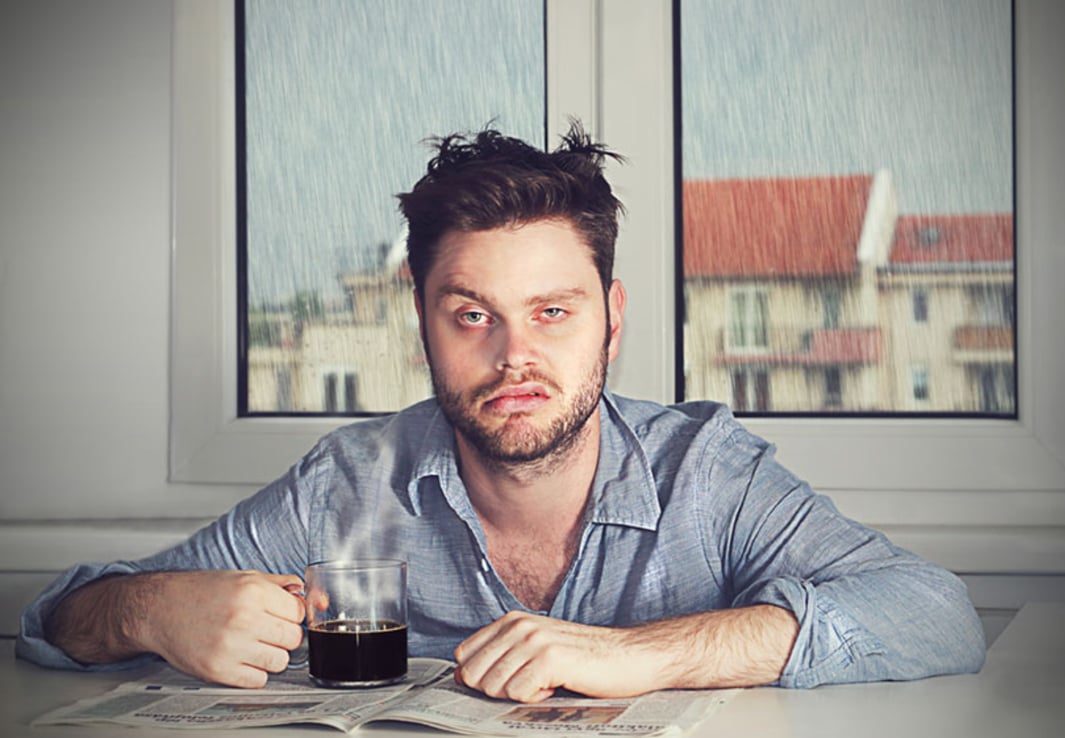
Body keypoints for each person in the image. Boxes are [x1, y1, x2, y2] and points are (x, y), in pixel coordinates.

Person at [17, 122, 986, 703]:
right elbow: (54, 618)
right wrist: (151, 608)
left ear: (611, 321)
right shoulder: (348, 489)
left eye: (553, 313)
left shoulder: (709, 474)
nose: (514, 355)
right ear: (423, 322)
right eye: (472, 314)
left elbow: (938, 617)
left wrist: (638, 657)